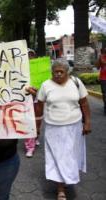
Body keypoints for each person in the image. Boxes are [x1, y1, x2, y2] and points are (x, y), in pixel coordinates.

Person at [36, 59, 91, 200]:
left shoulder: (76, 83)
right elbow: (39, 107)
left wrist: (87, 123)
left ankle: (66, 179)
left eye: (62, 71)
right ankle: (61, 189)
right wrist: (36, 128)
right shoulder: (45, 86)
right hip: (53, 128)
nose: (58, 74)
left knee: (70, 157)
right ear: (52, 72)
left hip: (74, 126)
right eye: (56, 72)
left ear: (67, 72)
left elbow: (84, 103)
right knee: (57, 157)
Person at [96, 47, 106, 115]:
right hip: (103, 78)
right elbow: (97, 67)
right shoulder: (101, 57)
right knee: (105, 93)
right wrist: (99, 59)